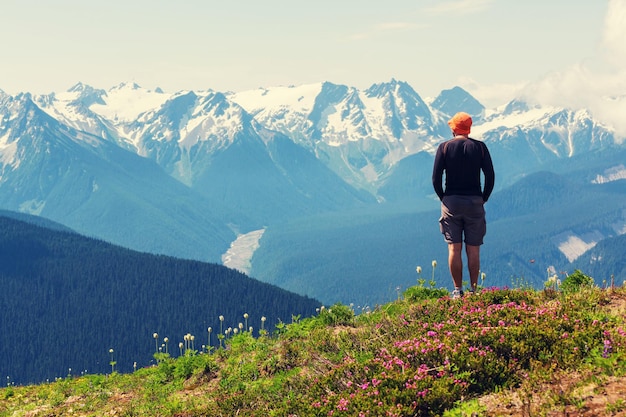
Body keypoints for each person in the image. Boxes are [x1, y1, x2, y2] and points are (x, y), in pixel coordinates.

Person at [432, 112, 495, 299]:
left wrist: (443, 197)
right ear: (469, 127)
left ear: (453, 128)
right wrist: (484, 197)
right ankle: (474, 291)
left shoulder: (444, 147)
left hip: (451, 201)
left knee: (454, 248)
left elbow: (436, 178)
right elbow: (490, 176)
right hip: (475, 201)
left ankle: (458, 290)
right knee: (473, 249)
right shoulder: (480, 147)